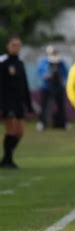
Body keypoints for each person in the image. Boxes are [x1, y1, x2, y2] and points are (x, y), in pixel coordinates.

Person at [0, 36, 34, 169]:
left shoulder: (20, 63)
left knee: (20, 132)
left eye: (18, 45)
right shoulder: (3, 63)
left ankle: (7, 157)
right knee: (12, 129)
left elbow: (24, 85)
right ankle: (7, 160)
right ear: (8, 46)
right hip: (7, 102)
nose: (16, 47)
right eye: (13, 45)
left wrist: (29, 104)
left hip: (19, 102)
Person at [36, 45, 69, 131]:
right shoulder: (44, 62)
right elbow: (40, 72)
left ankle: (63, 123)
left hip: (58, 86)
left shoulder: (61, 63)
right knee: (44, 106)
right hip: (47, 87)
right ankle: (42, 123)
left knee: (60, 105)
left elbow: (65, 73)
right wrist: (45, 75)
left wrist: (62, 79)